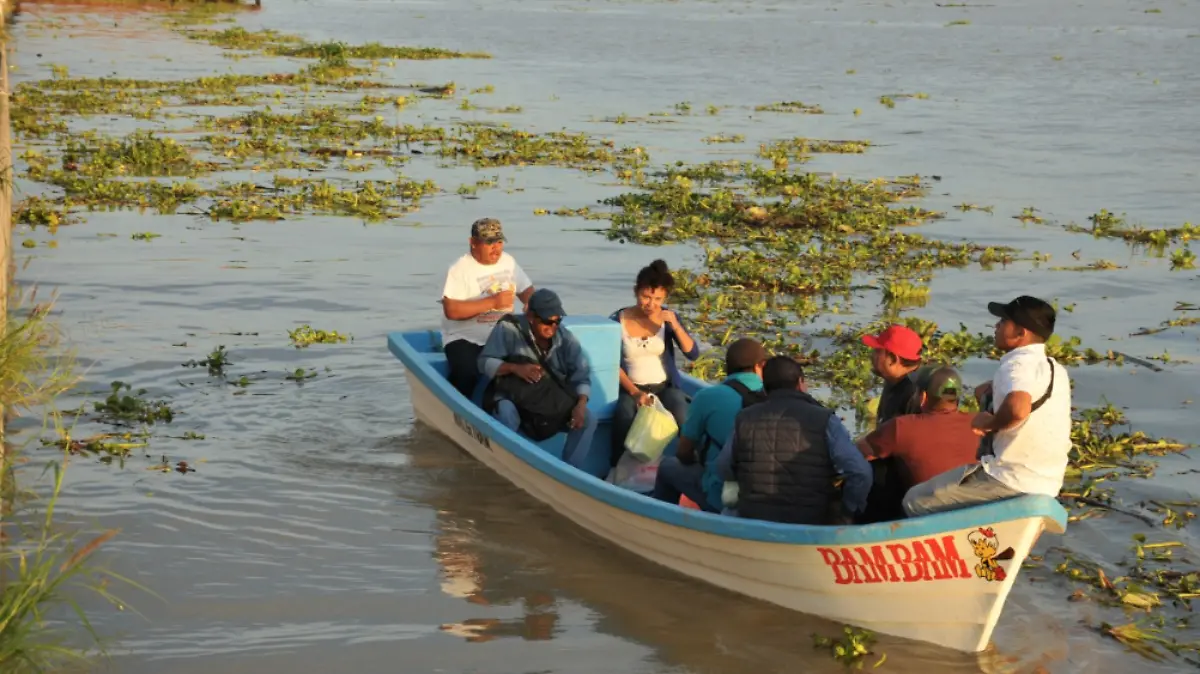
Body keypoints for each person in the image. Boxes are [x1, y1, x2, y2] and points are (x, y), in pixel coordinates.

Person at [903, 296, 1072, 517]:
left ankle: (956, 548)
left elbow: (1018, 409)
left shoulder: (1017, 363)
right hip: (1048, 482)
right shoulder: (1054, 369)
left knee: (915, 501)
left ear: (1021, 333)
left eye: (1003, 322)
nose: (996, 326)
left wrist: (989, 422)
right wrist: (989, 392)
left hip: (1011, 478)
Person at [715, 356, 872, 524]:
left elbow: (723, 467)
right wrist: (848, 509)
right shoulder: (825, 420)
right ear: (800, 383)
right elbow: (860, 472)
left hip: (755, 516)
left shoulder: (744, 418)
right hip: (812, 518)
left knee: (729, 505)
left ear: (765, 388)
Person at [477, 289, 600, 476]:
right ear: (531, 316)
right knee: (505, 411)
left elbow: (581, 375)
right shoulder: (508, 330)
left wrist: (581, 404)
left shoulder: (566, 339)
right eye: (546, 321)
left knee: (588, 419)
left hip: (548, 400)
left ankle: (569, 474)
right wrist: (515, 368)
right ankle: (507, 468)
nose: (552, 326)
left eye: (557, 321)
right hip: (515, 397)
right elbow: (484, 362)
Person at [650, 338, 768, 512]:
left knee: (668, 467)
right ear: (761, 366)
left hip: (723, 495)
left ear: (727, 366)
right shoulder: (776, 398)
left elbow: (684, 452)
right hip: (768, 495)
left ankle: (661, 521)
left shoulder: (708, 396)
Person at [608, 259, 701, 468]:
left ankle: (693, 465)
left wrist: (675, 325)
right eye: (646, 297)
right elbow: (612, 364)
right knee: (623, 415)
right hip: (631, 389)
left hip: (663, 387)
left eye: (658, 299)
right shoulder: (618, 319)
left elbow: (692, 354)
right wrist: (634, 393)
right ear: (636, 292)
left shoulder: (669, 318)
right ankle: (615, 467)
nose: (651, 304)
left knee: (682, 413)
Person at [854, 366, 978, 516]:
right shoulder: (979, 422)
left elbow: (859, 451)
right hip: (970, 505)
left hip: (925, 510)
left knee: (878, 467)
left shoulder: (901, 426)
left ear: (923, 397)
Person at [440, 218, 535, 398]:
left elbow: (526, 290)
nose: (496, 248)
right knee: (467, 374)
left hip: (502, 336)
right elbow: (451, 310)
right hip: (465, 339)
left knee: (533, 364)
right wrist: (492, 302)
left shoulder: (508, 261)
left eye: (499, 242)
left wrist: (531, 303)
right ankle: (456, 410)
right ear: (473, 243)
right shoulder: (459, 269)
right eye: (489, 242)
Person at [858, 324, 925, 523]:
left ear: (893, 359)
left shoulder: (914, 393)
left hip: (902, 484)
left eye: (878, 351)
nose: (872, 354)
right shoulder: (893, 382)